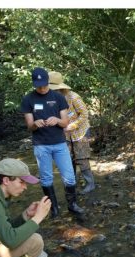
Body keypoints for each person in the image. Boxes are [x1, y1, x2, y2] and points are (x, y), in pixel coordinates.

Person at [21, 67, 85, 220]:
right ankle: (53, 208)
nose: (42, 88)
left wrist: (57, 120)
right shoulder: (28, 99)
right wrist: (35, 124)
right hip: (41, 145)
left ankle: (72, 204)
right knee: (46, 178)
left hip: (59, 143)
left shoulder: (58, 97)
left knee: (69, 176)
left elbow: (65, 122)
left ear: (48, 82)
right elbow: (29, 126)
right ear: (34, 84)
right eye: (39, 86)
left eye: (44, 85)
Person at [49, 71, 96, 194]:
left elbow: (85, 114)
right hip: (64, 133)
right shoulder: (51, 99)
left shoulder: (73, 97)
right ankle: (71, 184)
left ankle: (90, 184)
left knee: (82, 157)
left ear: (60, 89)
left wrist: (72, 125)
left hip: (80, 131)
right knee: (68, 159)